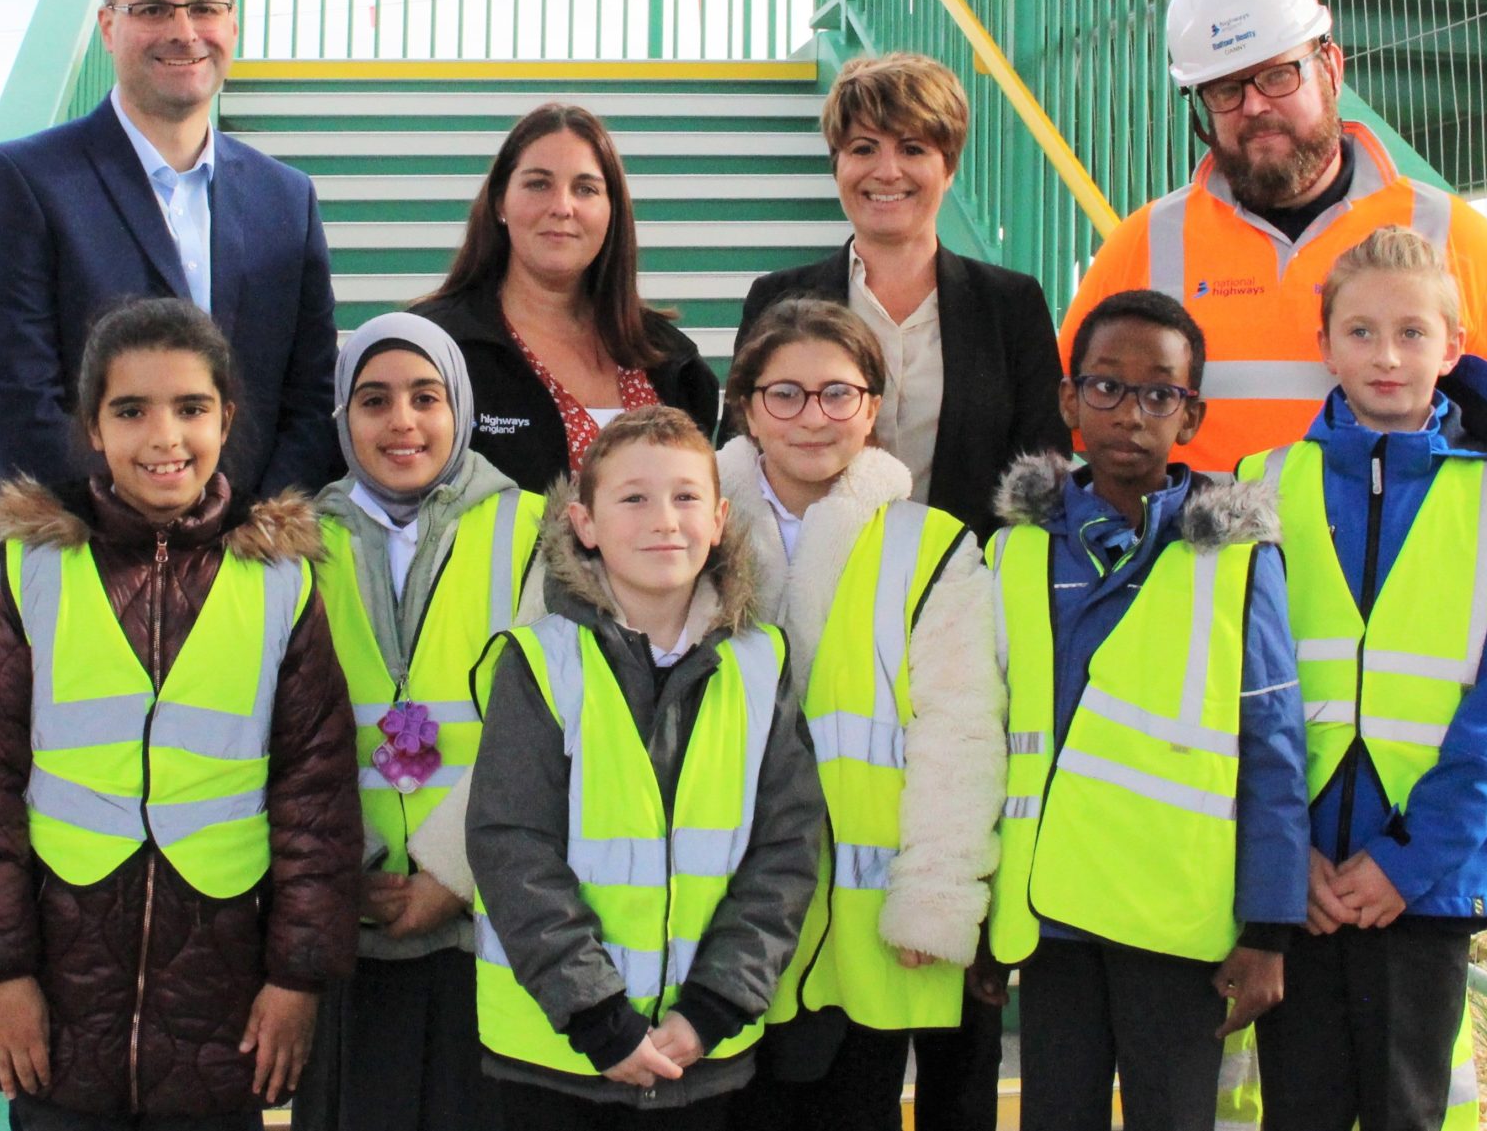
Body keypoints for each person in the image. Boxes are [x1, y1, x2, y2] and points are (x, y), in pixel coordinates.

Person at [0, 298, 361, 1128]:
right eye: (132, 410)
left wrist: (296, 980)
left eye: (191, 408)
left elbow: (318, 797)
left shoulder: (280, 583)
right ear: (93, 426)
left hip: (222, 1003)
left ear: (226, 419)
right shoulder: (35, 572)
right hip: (57, 1005)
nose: (165, 437)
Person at [1236, 227, 1487, 1131]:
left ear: (1454, 349)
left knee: (1407, 1111)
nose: (1386, 355)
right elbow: (1242, 691)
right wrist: (1284, 853)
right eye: (1362, 332)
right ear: (1324, 343)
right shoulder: (1266, 484)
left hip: (1425, 878)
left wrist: (1409, 861)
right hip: (1301, 877)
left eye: (1413, 333)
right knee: (1299, 1110)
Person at [0, 0, 340, 634]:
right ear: (108, 26)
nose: (184, 30)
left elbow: (307, 397)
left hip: (237, 588)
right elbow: (19, 403)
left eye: (205, 8)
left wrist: (228, 535)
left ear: (232, 22)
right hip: (72, 588)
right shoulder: (26, 182)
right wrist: (150, 536)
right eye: (154, 9)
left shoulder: (286, 200)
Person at [984, 290, 1307, 1131]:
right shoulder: (1016, 551)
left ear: (1191, 414)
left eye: (1159, 392)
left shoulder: (1235, 555)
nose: (1130, 412)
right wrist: (977, 911)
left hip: (1174, 919)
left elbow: (1272, 738)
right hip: (1050, 914)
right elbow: (983, 736)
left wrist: (1270, 925)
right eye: (1106, 387)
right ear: (1068, 400)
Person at [1057, 0, 1487, 474]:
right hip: (1202, 554)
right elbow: (1082, 417)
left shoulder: (1454, 237)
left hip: (1376, 558)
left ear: (1331, 69)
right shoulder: (1143, 245)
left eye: (1277, 75)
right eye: (1226, 89)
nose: (1255, 106)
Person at [466, 406, 822, 1127]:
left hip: (701, 1049)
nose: (665, 518)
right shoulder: (538, 661)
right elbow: (511, 846)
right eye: (633, 497)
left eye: (686, 496)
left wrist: (711, 1008)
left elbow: (786, 851)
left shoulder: (762, 662)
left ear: (720, 517)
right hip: (559, 1054)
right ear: (584, 522)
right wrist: (598, 1017)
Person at [714, 299, 1005, 1131]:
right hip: (712, 918)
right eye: (787, 394)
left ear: (873, 408)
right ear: (746, 406)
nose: (814, 417)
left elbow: (961, 736)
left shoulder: (933, 545)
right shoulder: (688, 529)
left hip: (859, 927)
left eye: (838, 393)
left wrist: (937, 895)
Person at [293, 313, 545, 1131]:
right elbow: (279, 734)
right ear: (343, 417)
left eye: (425, 396)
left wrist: (451, 875)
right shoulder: (295, 546)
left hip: (481, 916)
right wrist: (346, 870)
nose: (402, 420)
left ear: (460, 408)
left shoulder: (532, 531)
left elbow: (544, 728)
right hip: (347, 917)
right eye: (374, 399)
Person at [733, 52, 1070, 539]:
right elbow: (742, 457)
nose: (887, 172)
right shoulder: (776, 300)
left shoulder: (1011, 305)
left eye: (913, 149)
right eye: (864, 148)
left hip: (965, 589)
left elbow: (1042, 471)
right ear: (837, 165)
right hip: (804, 590)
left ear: (948, 166)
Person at [410, 103, 719, 494]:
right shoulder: (434, 344)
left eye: (586, 189)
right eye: (538, 184)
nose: (562, 207)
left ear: (612, 211)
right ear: (500, 202)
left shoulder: (674, 362)